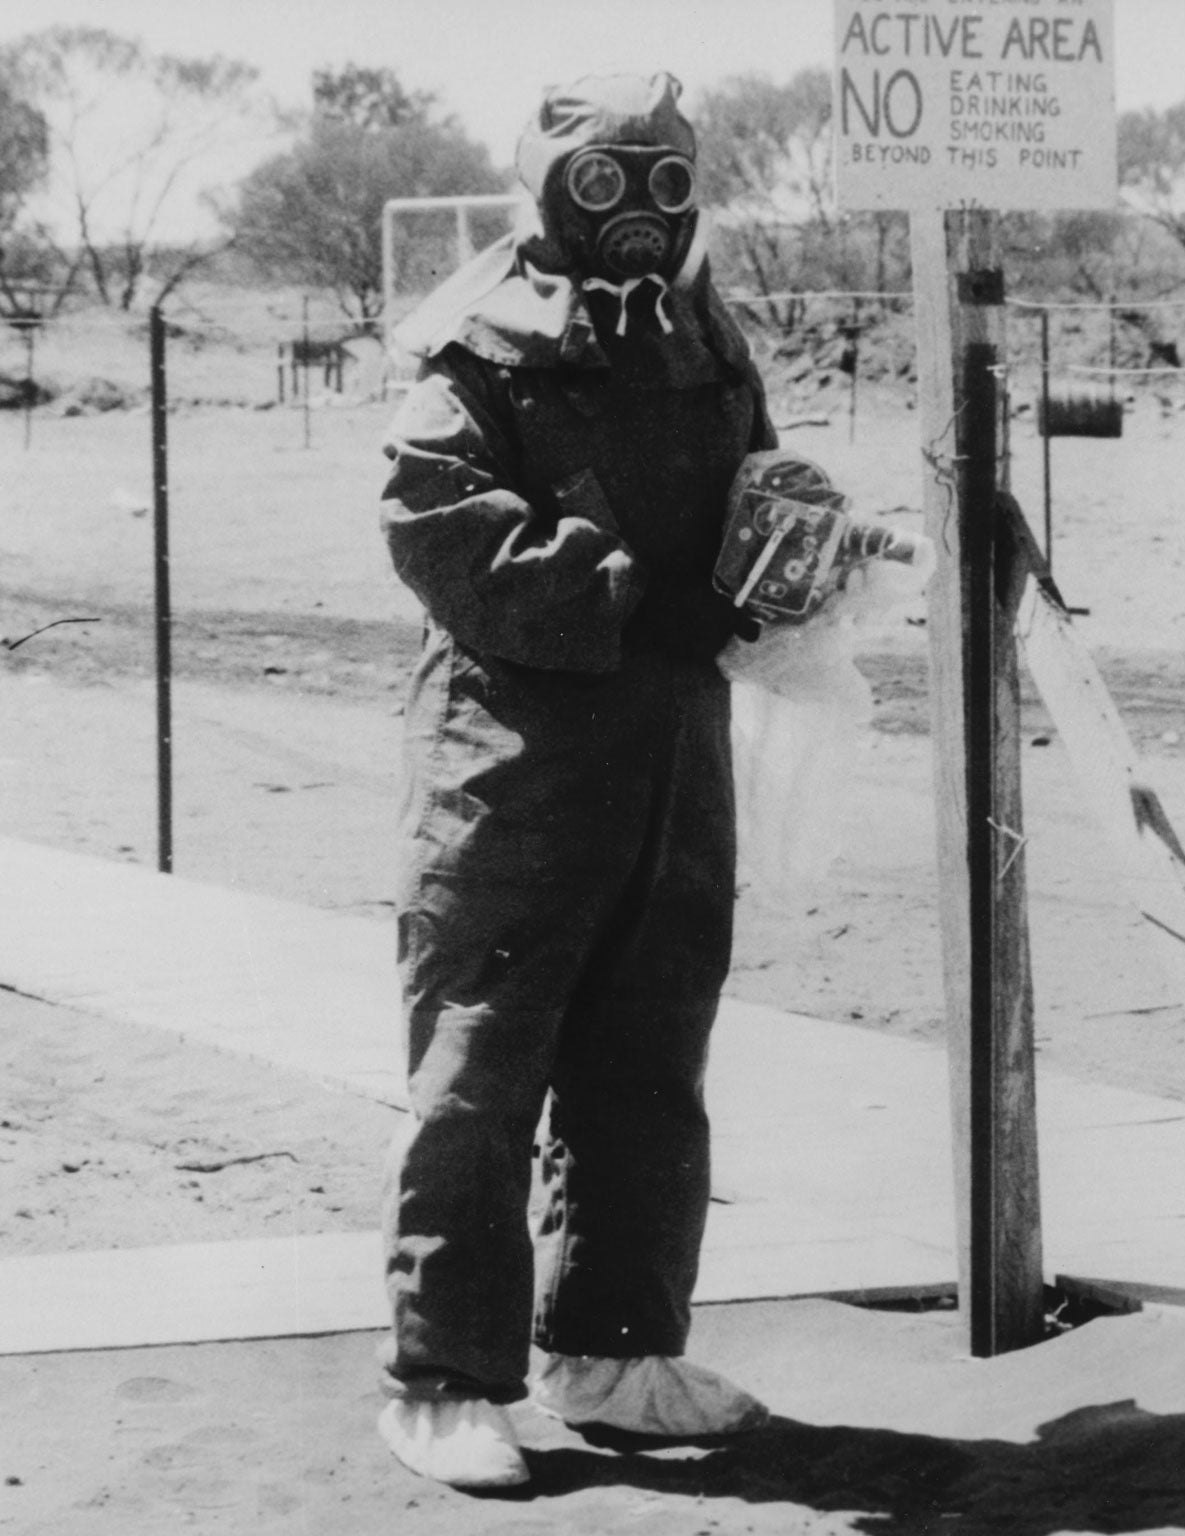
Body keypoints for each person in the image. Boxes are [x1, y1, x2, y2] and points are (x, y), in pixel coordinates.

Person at [373, 72, 775, 1491]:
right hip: (514, 769)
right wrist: (618, 598)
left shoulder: (702, 345)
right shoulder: (477, 347)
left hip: (672, 759)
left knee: (649, 1065)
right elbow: (437, 519)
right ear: (547, 193)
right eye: (602, 185)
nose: (635, 221)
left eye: (662, 187)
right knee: (481, 1072)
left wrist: (793, 563)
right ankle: (446, 1378)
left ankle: (612, 1351)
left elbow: (758, 488)